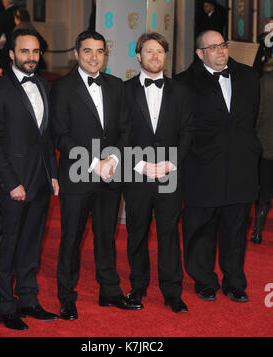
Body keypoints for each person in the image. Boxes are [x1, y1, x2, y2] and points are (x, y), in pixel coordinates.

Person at [50, 30, 138, 321]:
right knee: (71, 238)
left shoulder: (116, 86)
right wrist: (92, 163)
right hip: (77, 175)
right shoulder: (62, 88)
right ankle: (66, 297)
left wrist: (111, 159)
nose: (93, 57)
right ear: (76, 53)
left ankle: (110, 291)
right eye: (87, 51)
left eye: (99, 51)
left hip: (111, 173)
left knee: (106, 236)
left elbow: (125, 130)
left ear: (105, 54)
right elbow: (60, 135)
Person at [0, 28, 59, 331]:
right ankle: (6, 305)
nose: (31, 57)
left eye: (36, 52)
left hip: (40, 181)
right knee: (9, 243)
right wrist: (11, 182)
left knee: (31, 244)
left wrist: (53, 174)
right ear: (12, 54)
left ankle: (28, 299)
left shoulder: (44, 85)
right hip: (12, 183)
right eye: (25, 51)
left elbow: (47, 137)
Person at [177, 30, 260, 303]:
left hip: (240, 167)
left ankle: (234, 281)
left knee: (235, 229)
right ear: (200, 54)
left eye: (223, 45)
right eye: (212, 47)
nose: (221, 51)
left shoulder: (249, 77)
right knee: (200, 228)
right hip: (201, 169)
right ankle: (203, 280)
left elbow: (250, 120)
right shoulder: (183, 83)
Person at [123, 32, 192, 313]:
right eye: (149, 51)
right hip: (136, 173)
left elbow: (187, 132)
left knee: (168, 233)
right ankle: (137, 287)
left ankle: (172, 291)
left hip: (169, 171)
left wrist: (171, 163)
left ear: (166, 57)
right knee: (136, 231)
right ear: (138, 56)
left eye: (160, 52)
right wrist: (138, 164)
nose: (155, 56)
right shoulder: (123, 90)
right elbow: (119, 134)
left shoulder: (180, 91)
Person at [251, 58, 273, 244]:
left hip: (265, 145)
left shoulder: (263, 82)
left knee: (264, 190)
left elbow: (256, 114)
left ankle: (257, 231)